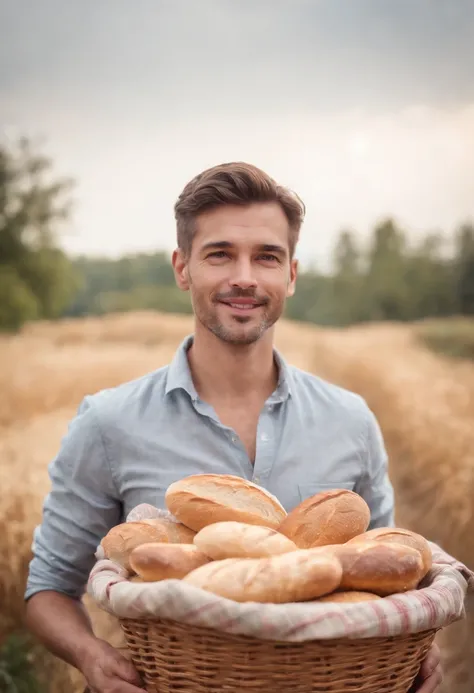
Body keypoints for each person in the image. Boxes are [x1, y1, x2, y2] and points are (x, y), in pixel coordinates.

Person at [24, 162, 442, 693]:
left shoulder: (351, 421)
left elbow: (388, 577)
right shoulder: (109, 423)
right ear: (182, 268)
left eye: (266, 257)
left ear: (290, 274)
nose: (244, 276)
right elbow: (48, 589)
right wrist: (92, 657)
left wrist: (413, 654)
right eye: (220, 254)